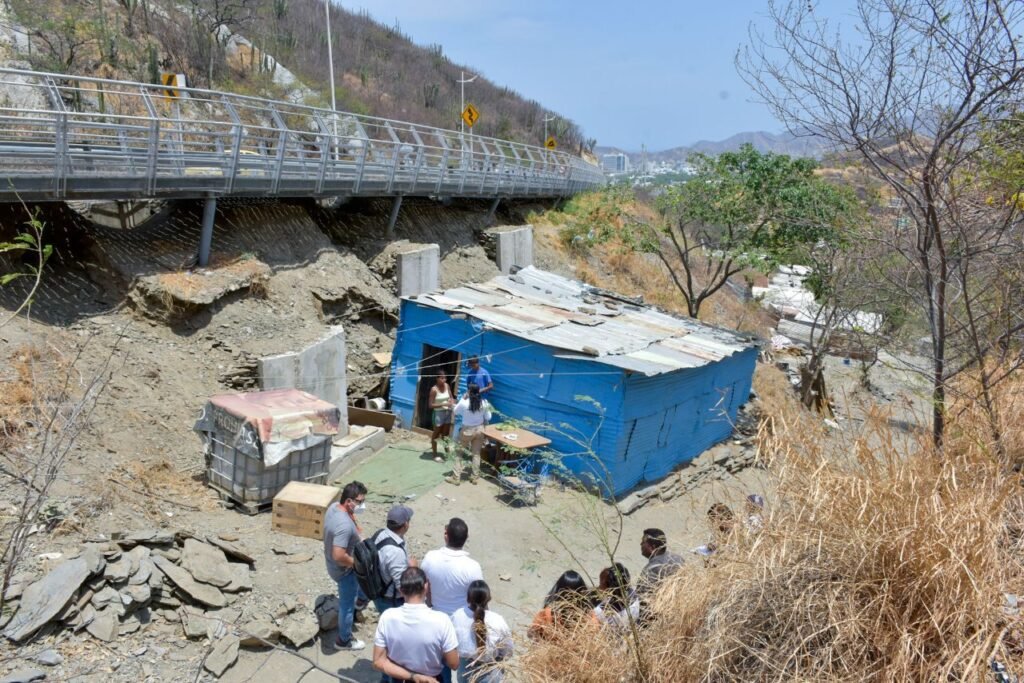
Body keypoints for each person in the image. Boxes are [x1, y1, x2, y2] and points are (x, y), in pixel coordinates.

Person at [373, 567, 460, 683]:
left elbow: (378, 661)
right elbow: (454, 664)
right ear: (426, 587)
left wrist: (412, 676)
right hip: (432, 679)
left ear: (401, 590)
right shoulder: (442, 620)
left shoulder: (387, 617)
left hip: (399, 679)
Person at [323, 482, 366, 651]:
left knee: (360, 585)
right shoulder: (344, 526)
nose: (362, 505)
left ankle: (360, 601)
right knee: (346, 606)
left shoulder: (334, 507)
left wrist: (357, 530)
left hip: (331, 564)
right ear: (349, 501)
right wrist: (356, 563)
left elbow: (350, 518)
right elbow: (339, 555)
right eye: (360, 501)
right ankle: (343, 640)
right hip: (344, 571)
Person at [450, 580, 513, 682]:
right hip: (490, 671)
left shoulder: (457, 616)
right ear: (489, 599)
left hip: (465, 670)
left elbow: (452, 643)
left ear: (468, 599)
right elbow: (508, 649)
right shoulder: (497, 620)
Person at [421, 518, 484, 618]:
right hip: (462, 618)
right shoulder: (473, 567)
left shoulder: (430, 558)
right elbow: (479, 598)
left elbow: (424, 586)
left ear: (446, 536)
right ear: (466, 537)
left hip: (436, 616)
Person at [372, 504, 418, 615]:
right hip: (391, 602)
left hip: (379, 591)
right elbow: (402, 589)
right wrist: (413, 569)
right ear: (405, 524)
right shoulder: (395, 552)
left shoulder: (381, 533)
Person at [529, 570, 597, 640]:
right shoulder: (549, 612)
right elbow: (532, 632)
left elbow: (531, 633)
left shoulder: (588, 613)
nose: (571, 597)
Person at [449, 384, 491, 485]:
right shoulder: (484, 403)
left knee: (459, 453)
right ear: (478, 391)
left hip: (467, 430)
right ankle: (474, 477)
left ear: (469, 392)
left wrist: (462, 399)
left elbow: (455, 411)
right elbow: (488, 417)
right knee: (476, 454)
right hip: (479, 430)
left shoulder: (464, 402)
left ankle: (456, 478)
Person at [593, 563, 639, 633]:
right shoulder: (636, 599)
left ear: (609, 589)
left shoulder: (599, 612)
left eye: (601, 584)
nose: (599, 587)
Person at [638, 528, 684, 594]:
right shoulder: (678, 558)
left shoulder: (651, 569)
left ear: (652, 547)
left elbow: (642, 596)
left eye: (643, 542)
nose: (641, 544)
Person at [429, 374, 455, 462]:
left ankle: (447, 452)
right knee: (436, 434)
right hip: (438, 413)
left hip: (447, 412)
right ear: (437, 378)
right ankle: (434, 455)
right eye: (442, 378)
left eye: (445, 378)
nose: (444, 380)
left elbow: (451, 397)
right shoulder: (434, 389)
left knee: (445, 434)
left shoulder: (447, 386)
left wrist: (451, 402)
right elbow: (430, 405)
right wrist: (443, 404)